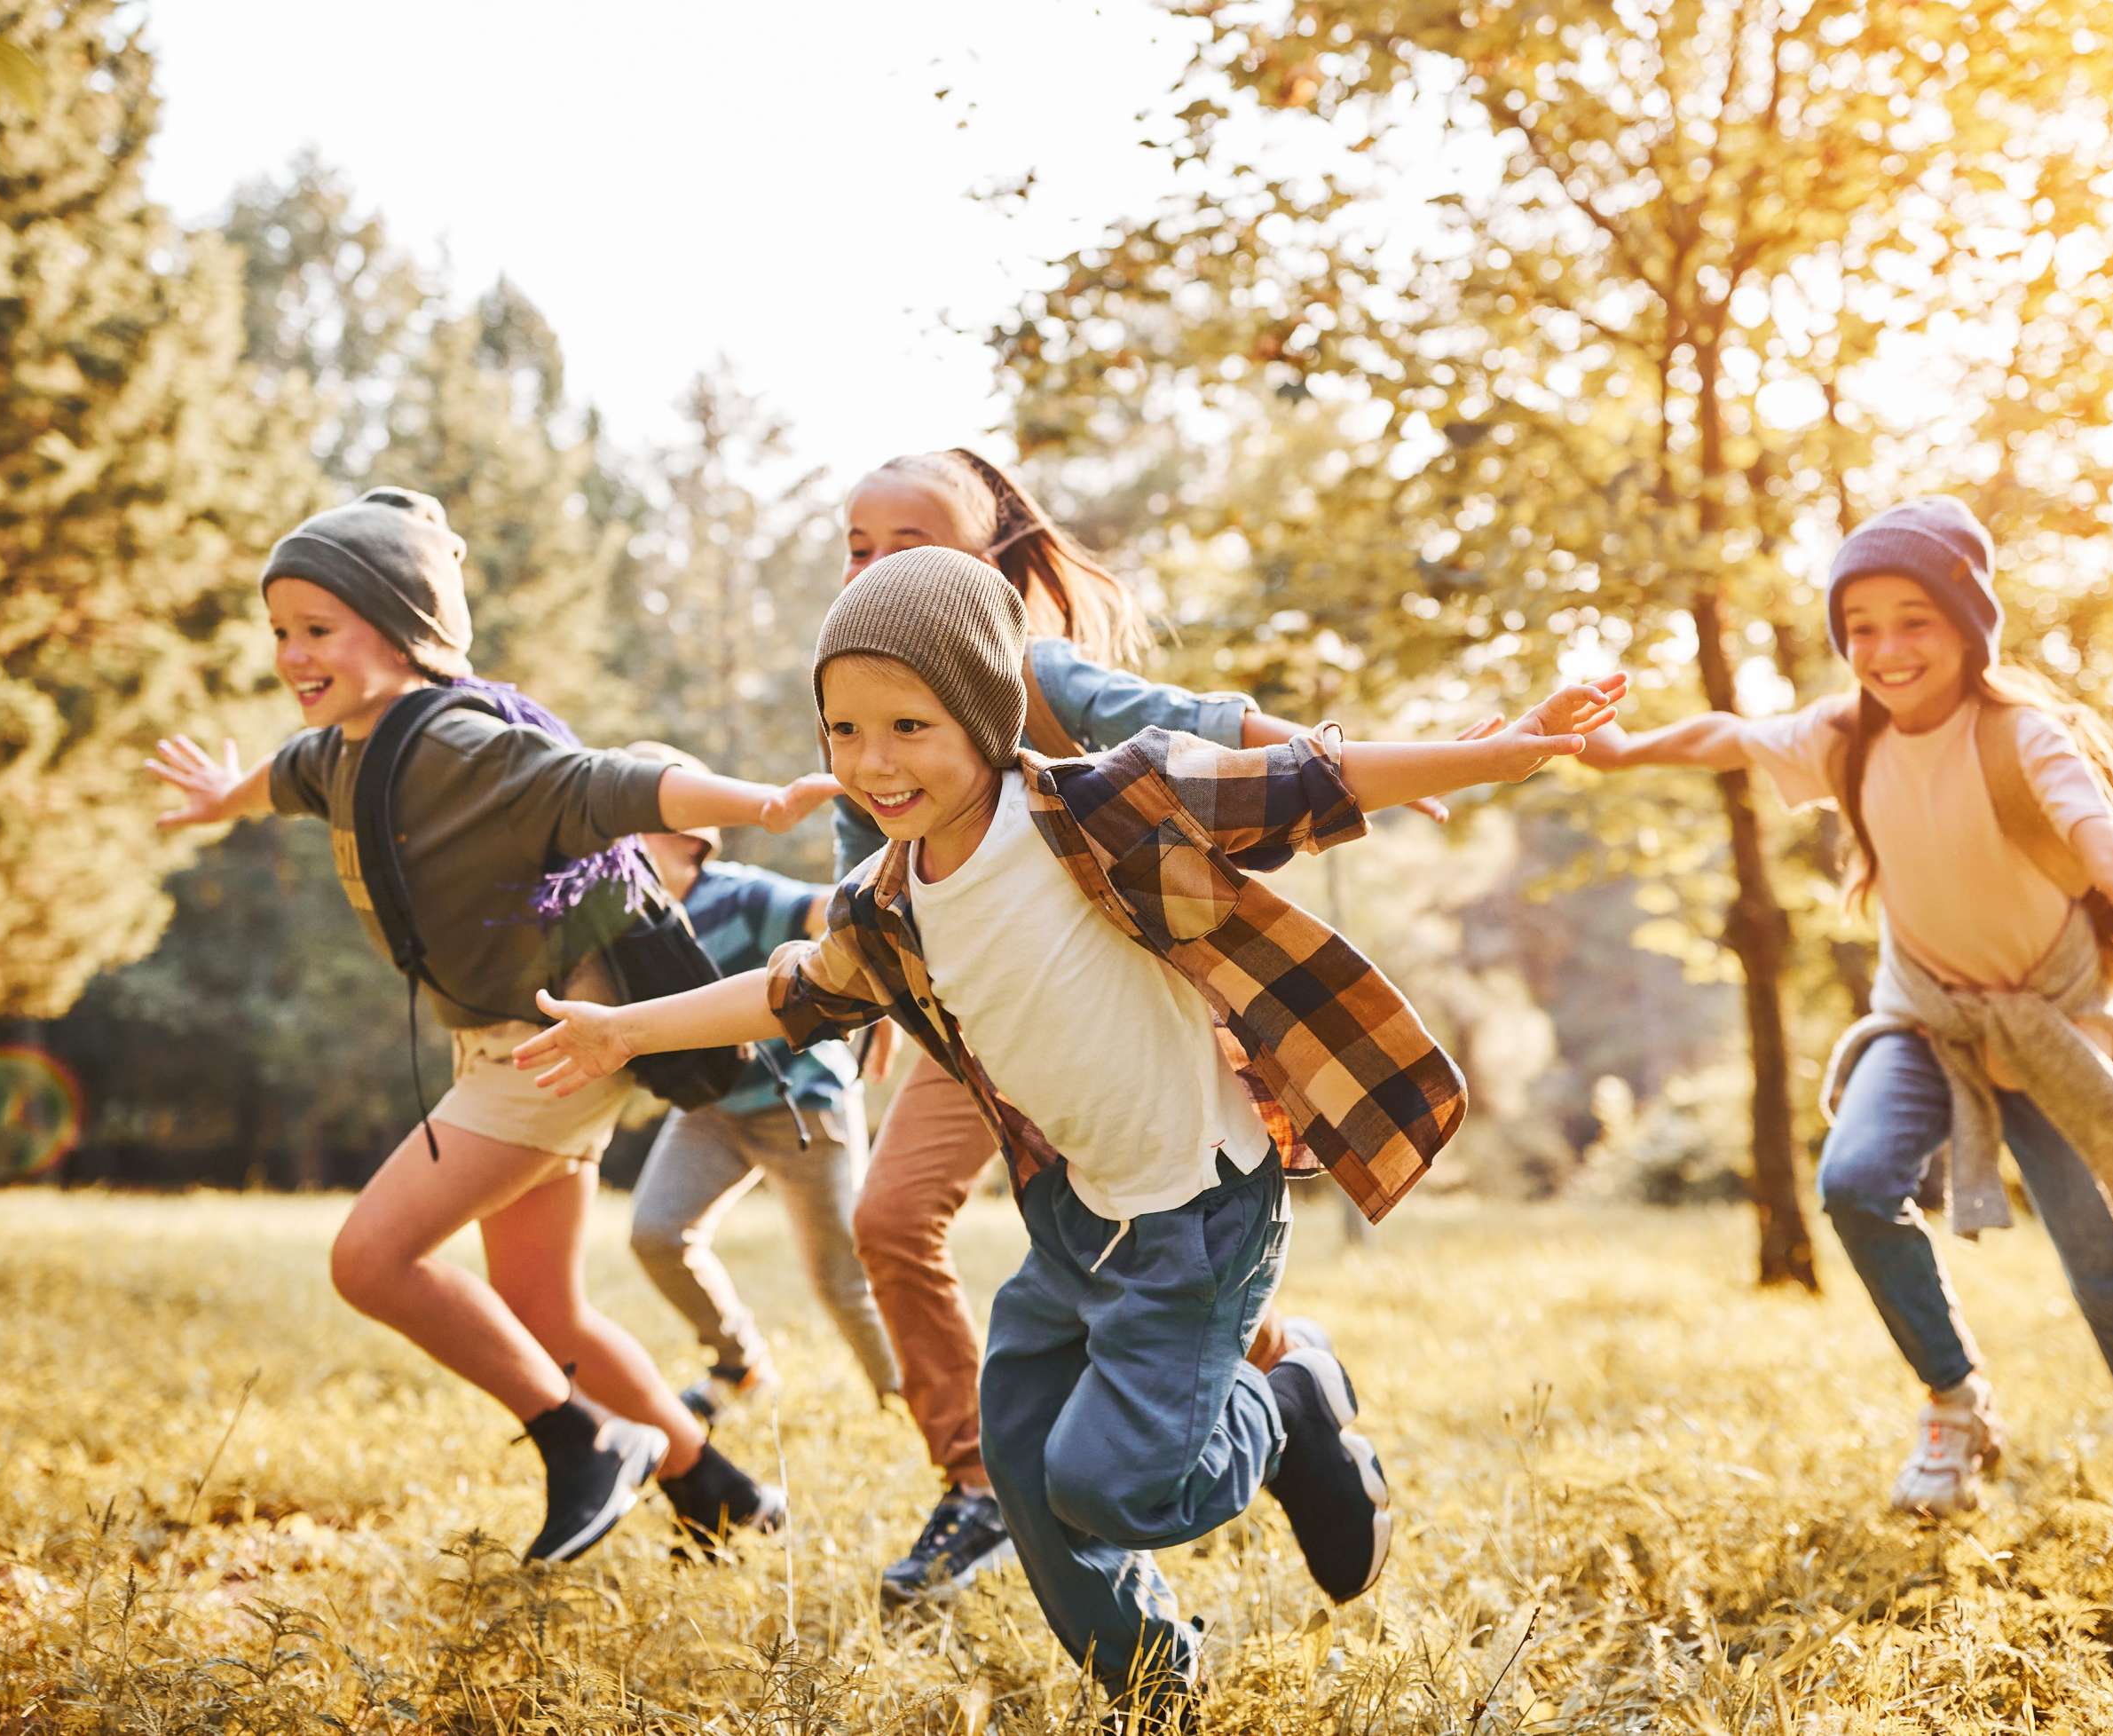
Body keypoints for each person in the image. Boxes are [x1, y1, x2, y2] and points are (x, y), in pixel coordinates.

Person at [515, 547, 1623, 1720]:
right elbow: (794, 992)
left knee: (1117, 1486)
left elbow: (1299, 779)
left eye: (910, 724)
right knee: (1030, 1472)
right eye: (844, 730)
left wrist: (1505, 750)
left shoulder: (1099, 807)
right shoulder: (889, 904)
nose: (875, 762)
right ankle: (1155, 1686)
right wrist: (622, 1031)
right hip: (1074, 1220)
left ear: (987, 715)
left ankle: (1288, 1404)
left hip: (1197, 1212)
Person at [143, 486, 830, 1561]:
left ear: (408, 628)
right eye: (281, 631)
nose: (292, 654)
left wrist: (758, 805)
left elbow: (605, 785)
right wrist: (221, 794)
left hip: (555, 1041)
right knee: (542, 1309)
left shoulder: (461, 742)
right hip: (508, 1041)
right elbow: (278, 781)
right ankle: (721, 1496)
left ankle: (581, 1443)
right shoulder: (342, 752)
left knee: (371, 1261)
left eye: (319, 629)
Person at [1573, 496, 2113, 1517]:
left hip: (2051, 1029)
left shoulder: (2024, 738)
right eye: (1860, 627)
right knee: (1857, 1181)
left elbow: (2108, 845)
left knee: (2100, 1264)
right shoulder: (1846, 737)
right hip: (1926, 1019)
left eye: (1913, 619)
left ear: (1967, 624)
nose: (1885, 648)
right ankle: (1956, 1403)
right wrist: (1621, 750)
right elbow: (1727, 734)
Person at [830, 446, 1455, 1605]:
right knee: (892, 1214)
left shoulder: (1037, 669)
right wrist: (867, 1003)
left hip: (1115, 996)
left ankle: (1277, 1389)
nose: (872, 569)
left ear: (989, 562)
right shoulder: (870, 698)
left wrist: (1327, 757)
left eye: (907, 546)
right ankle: (983, 1486)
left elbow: (1178, 720)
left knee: (1154, 1237)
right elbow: (867, 863)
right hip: (983, 1017)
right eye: (857, 549)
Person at [616, 741, 903, 1422]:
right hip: (711, 1112)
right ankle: (740, 1366)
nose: (618, 847)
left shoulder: (742, 896)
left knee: (841, 1279)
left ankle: (905, 1398)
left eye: (635, 829)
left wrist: (881, 986)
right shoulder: (630, 924)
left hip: (801, 1109)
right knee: (657, 1234)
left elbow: (834, 915)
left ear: (687, 840)